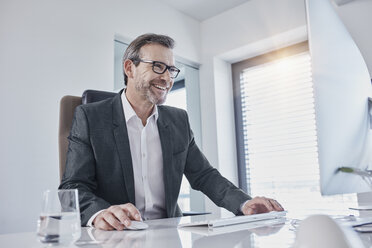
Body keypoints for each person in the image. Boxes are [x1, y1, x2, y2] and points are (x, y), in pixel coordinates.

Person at [59, 33, 284, 231]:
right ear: (130, 68)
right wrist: (100, 214)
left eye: (171, 70)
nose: (166, 78)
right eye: (157, 66)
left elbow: (204, 176)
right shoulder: (90, 117)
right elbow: (73, 187)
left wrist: (245, 203)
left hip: (168, 234)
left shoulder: (178, 120)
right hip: (116, 235)